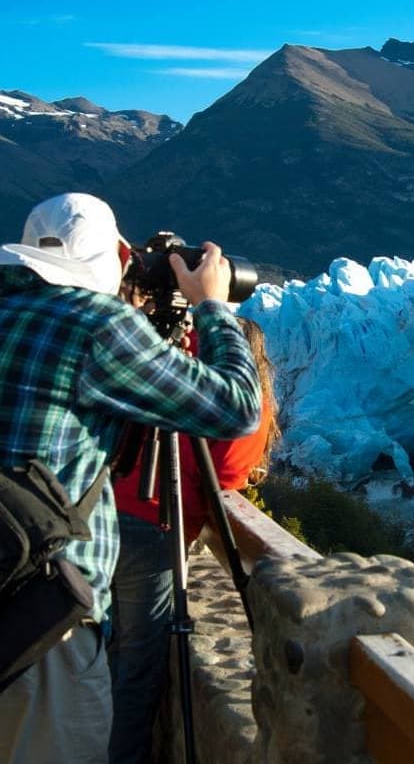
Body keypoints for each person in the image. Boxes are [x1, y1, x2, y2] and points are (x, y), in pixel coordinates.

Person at [0, 193, 262, 764]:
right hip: (37, 612)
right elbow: (238, 407)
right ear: (119, 256)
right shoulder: (96, 325)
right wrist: (212, 306)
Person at [108, 317, 279, 764]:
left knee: (94, 648)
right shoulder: (228, 400)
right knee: (137, 670)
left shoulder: (165, 376)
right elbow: (227, 473)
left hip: (101, 519)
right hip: (154, 534)